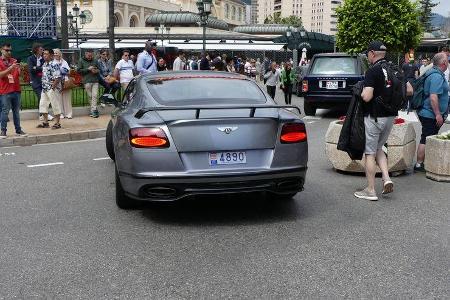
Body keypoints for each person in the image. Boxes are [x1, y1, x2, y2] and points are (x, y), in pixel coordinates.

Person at [354, 41, 396, 201]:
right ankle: (386, 178)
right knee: (380, 147)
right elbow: (409, 90)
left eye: (367, 54)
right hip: (391, 116)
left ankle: (371, 190)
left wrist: (361, 91)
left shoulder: (373, 71)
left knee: (370, 153)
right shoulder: (394, 68)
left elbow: (367, 96)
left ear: (372, 53)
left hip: (375, 116)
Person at [414, 52, 449, 172]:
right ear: (444, 63)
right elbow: (433, 97)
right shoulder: (436, 76)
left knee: (427, 137)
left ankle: (422, 162)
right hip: (430, 114)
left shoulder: (434, 73)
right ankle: (419, 164)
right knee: (427, 138)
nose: (448, 61)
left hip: (428, 112)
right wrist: (438, 114)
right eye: (447, 60)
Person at [0, 43, 26, 138]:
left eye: (10, 50)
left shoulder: (14, 61)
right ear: (1, 50)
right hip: (5, 90)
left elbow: (20, 76)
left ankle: (18, 130)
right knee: (4, 111)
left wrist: (19, 70)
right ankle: (3, 131)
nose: (9, 52)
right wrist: (10, 68)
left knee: (16, 112)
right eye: (7, 50)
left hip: (16, 89)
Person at [37, 49, 62, 129]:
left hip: (51, 88)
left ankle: (57, 123)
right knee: (43, 105)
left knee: (55, 105)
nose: (44, 55)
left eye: (46, 54)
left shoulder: (54, 64)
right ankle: (45, 122)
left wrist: (53, 87)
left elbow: (57, 78)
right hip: (44, 88)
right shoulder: (44, 64)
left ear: (51, 55)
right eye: (44, 54)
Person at [77, 49, 100, 118]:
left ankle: (94, 110)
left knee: (95, 95)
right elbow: (78, 71)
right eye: (89, 55)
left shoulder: (95, 60)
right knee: (90, 96)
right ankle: (93, 110)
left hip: (95, 80)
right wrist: (88, 69)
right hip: (86, 81)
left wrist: (96, 71)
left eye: (91, 55)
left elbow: (99, 69)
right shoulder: (81, 60)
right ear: (86, 54)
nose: (90, 57)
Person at [53, 49, 72, 119]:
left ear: (60, 54)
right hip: (57, 82)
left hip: (65, 81)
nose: (55, 54)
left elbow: (69, 71)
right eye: (54, 53)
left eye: (57, 53)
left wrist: (63, 71)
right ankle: (61, 113)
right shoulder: (52, 62)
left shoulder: (64, 62)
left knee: (67, 98)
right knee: (58, 99)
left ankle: (68, 113)